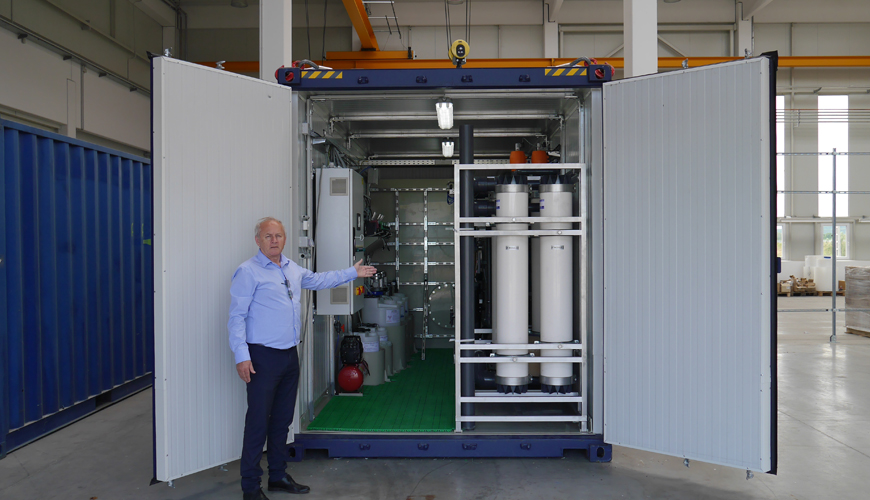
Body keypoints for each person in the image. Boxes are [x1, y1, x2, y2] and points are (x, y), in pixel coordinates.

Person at [228, 217, 376, 500]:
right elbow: (236, 317)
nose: (274, 240)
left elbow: (319, 280)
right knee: (258, 422)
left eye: (279, 235)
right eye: (268, 236)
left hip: (288, 355)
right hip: (261, 357)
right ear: (258, 240)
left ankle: (278, 475)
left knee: (282, 420)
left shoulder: (291, 269)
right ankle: (250, 487)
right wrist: (241, 356)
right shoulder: (248, 272)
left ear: (284, 239)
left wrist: (351, 273)